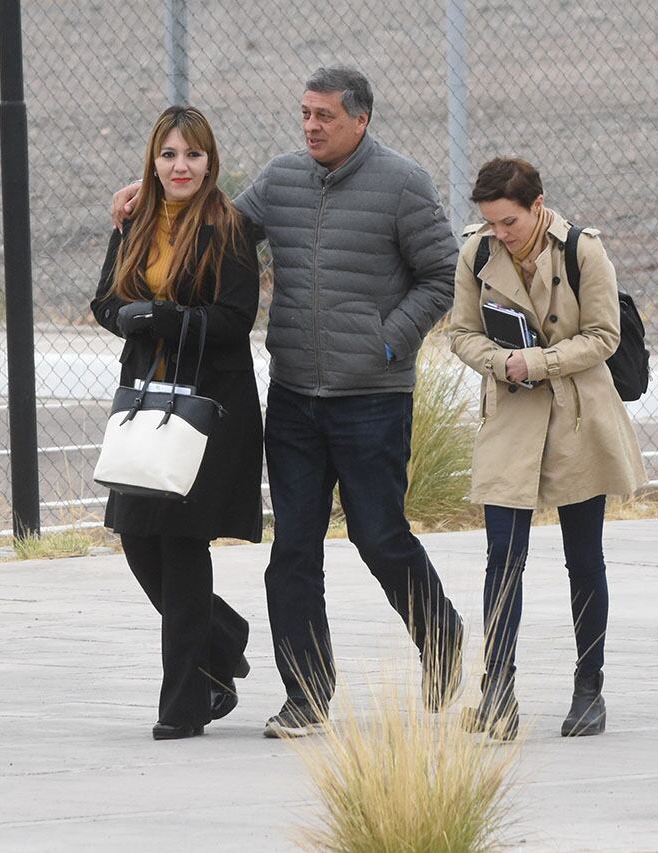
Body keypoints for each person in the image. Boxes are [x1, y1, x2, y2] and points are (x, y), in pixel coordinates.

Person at [113, 66, 465, 738]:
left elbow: (440, 275)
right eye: (304, 113)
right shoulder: (281, 178)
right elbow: (216, 224)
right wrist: (150, 203)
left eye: (324, 116)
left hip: (372, 400)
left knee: (379, 536)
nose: (310, 126)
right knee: (293, 553)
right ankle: (307, 695)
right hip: (296, 399)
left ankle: (440, 635)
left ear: (360, 119)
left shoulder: (403, 183)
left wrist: (388, 343)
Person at [448, 157, 646, 740]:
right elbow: (460, 332)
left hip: (577, 419)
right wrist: (499, 363)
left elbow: (605, 337)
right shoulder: (477, 253)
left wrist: (535, 362)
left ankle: (589, 689)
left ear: (538, 206)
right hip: (511, 417)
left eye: (508, 222)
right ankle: (497, 694)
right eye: (489, 223)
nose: (499, 235)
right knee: (502, 559)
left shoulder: (584, 251)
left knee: (583, 558)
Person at [91, 105, 263, 741]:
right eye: (169, 155)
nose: (180, 166)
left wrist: (160, 317)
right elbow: (107, 300)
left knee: (184, 545)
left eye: (192, 155)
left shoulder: (227, 227)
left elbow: (234, 319)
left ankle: (184, 703)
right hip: (148, 400)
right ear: (153, 162)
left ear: (210, 162)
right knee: (138, 538)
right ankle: (224, 641)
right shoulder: (134, 219)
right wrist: (131, 317)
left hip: (210, 408)